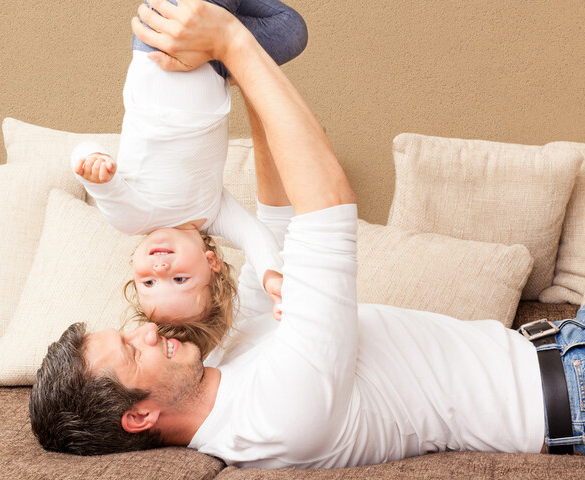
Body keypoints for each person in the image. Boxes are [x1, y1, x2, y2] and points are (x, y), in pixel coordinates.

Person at [30, 0, 585, 468]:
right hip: (571, 389)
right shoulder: (277, 415)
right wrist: (231, 41)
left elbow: (280, 215)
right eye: (131, 350)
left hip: (557, 344)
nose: (145, 330)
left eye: (127, 331)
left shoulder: (224, 367)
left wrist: (235, 66)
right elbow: (328, 205)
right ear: (140, 416)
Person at [70, 0, 308, 356]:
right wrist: (272, 277)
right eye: (178, 279)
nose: (160, 266)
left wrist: (91, 162)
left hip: (164, 45)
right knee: (292, 30)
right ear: (211, 264)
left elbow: (85, 160)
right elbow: (255, 235)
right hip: (215, 59)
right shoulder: (213, 213)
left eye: (148, 281)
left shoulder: (131, 217)